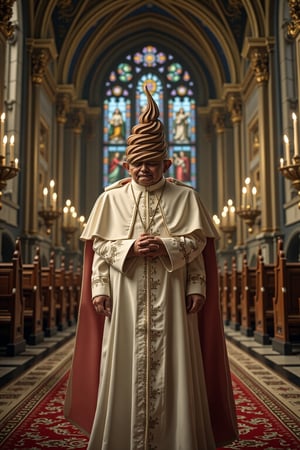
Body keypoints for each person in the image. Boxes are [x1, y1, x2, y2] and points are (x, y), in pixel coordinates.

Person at [64, 85, 239, 449]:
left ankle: (179, 439)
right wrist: (105, 282)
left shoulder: (186, 197)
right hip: (125, 299)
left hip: (173, 299)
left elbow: (198, 245)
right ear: (125, 164)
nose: (144, 169)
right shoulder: (109, 199)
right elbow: (99, 246)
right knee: (123, 366)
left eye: (152, 163)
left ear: (167, 164)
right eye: (137, 163)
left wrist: (180, 264)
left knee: (176, 366)